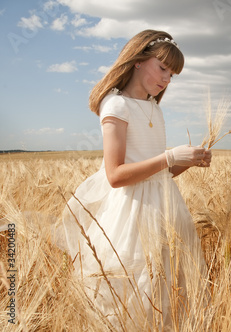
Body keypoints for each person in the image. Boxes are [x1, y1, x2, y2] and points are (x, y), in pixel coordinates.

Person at [59, 30, 211, 330]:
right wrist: (169, 156)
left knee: (167, 294)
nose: (167, 79)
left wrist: (187, 162)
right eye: (162, 68)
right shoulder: (116, 105)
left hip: (165, 211)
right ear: (139, 61)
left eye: (172, 75)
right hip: (130, 215)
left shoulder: (155, 108)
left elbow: (158, 175)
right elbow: (116, 175)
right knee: (134, 294)